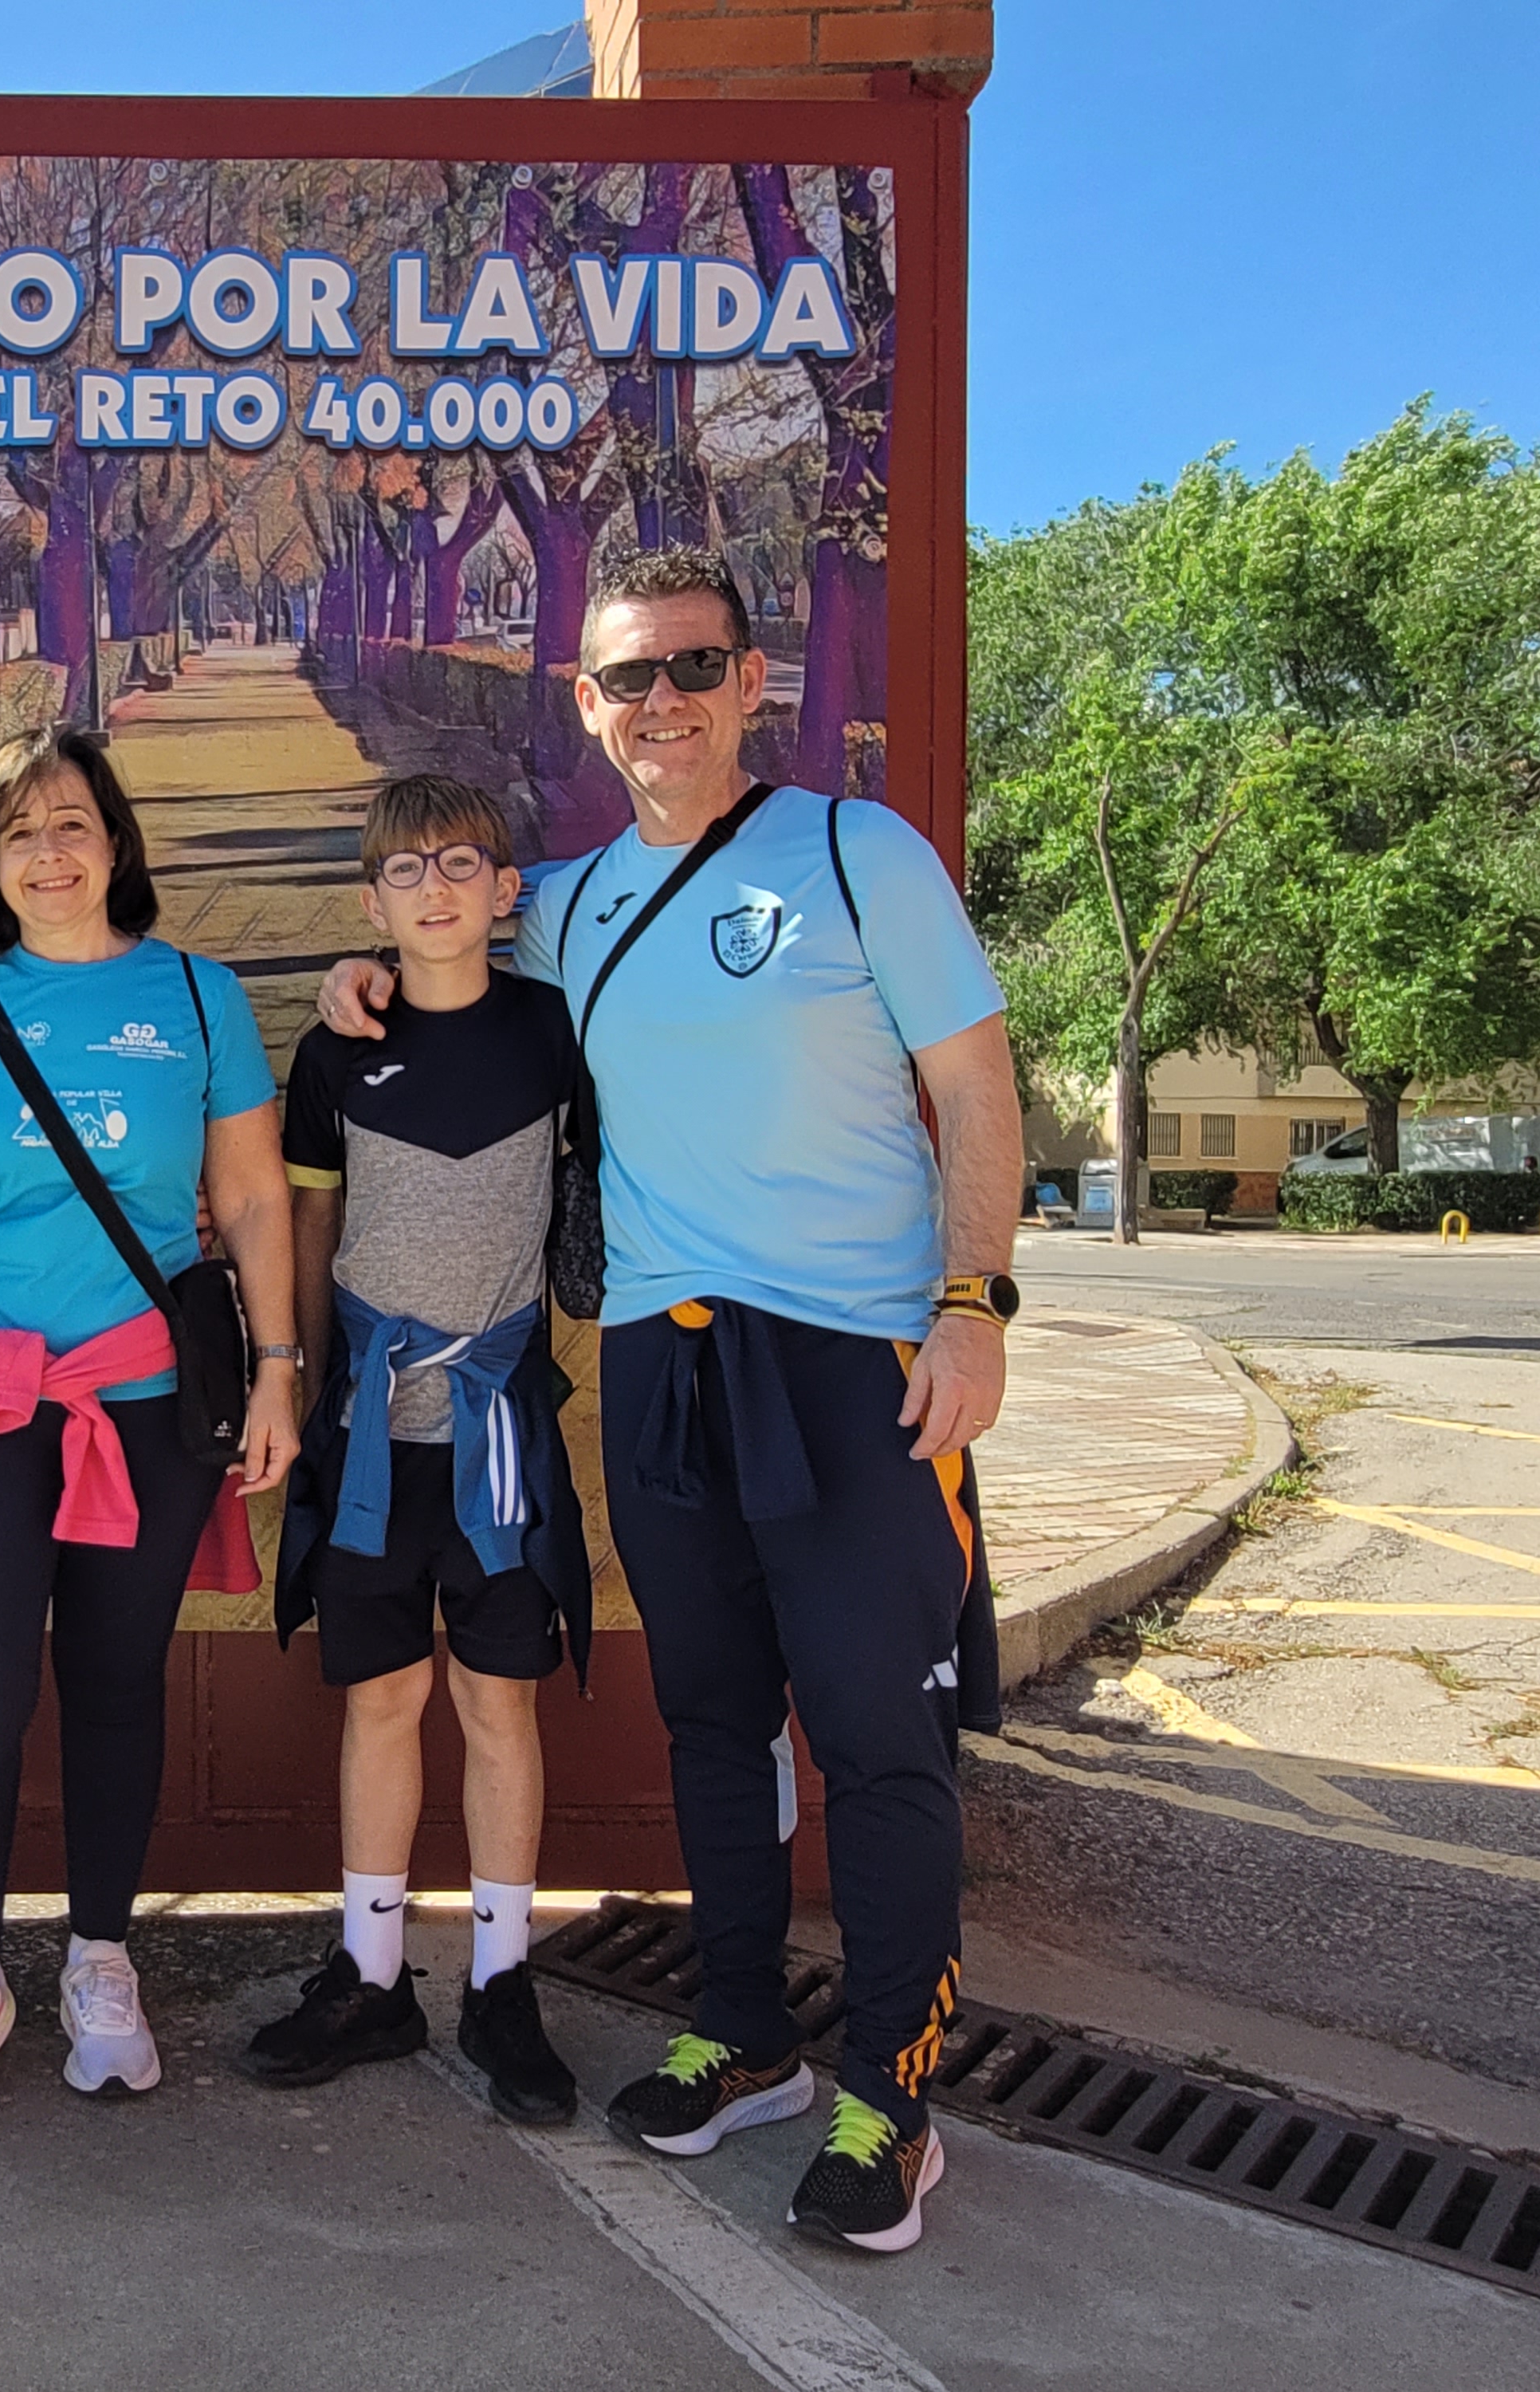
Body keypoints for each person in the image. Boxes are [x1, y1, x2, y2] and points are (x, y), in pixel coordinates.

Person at [317, 548, 1022, 2253]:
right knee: (708, 1718)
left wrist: (973, 1305)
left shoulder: (860, 854)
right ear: (583, 703)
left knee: (874, 1739)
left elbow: (978, 1092)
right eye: (625, 678)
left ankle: (887, 2097)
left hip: (850, 1358)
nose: (661, 704)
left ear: (750, 682)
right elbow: (442, 953)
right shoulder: (557, 904)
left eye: (691, 668)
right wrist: (354, 990)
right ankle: (741, 2030)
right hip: (656, 1355)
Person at [0, 726, 301, 2138]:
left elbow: (247, 1202)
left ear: (115, 838)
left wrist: (284, 1367)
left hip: (145, 1397)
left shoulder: (198, 996)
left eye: (71, 823)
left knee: (118, 1682)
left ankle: (102, 1957)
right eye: (18, 834)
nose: (49, 853)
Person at [247, 774, 591, 2128]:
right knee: (381, 1700)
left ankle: (505, 1982)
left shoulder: (558, 1034)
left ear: (508, 889)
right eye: (405, 870)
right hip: (373, 1441)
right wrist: (307, 1391)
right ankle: (372, 1971)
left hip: (501, 1436)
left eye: (463, 863)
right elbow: (311, 1234)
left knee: (498, 1703)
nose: (435, 887)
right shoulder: (335, 1051)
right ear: (372, 897)